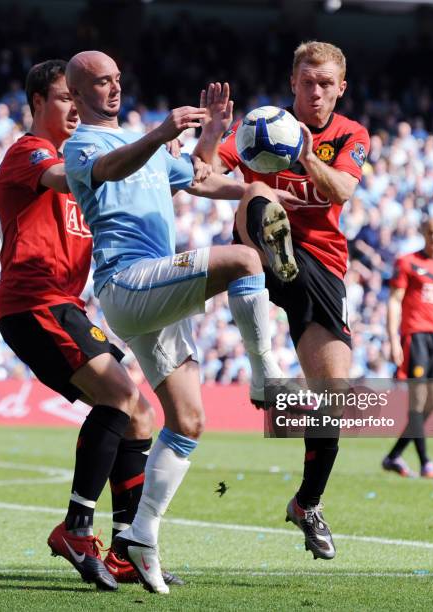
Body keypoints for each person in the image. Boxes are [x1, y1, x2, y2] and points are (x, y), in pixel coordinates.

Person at [63, 50, 288, 594]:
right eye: (100, 83)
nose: (113, 90)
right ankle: (267, 376)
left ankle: (141, 536)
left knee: (188, 421)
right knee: (244, 259)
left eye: (117, 80)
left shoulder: (149, 143)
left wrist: (251, 179)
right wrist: (163, 132)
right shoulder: (81, 145)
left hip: (153, 293)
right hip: (127, 282)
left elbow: (202, 179)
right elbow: (112, 169)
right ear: (76, 91)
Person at [0, 59, 180, 591]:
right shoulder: (29, 155)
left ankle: (123, 549)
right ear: (37, 104)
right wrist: (144, 142)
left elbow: (125, 178)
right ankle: (76, 528)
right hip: (33, 303)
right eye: (63, 99)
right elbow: (72, 176)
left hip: (63, 304)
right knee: (121, 396)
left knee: (141, 414)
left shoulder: (88, 155)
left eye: (78, 99)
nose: (75, 109)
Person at [195, 41, 371, 561]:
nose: (314, 92)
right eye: (306, 83)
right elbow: (202, 176)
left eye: (325, 84)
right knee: (258, 195)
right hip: (255, 247)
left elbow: (340, 190)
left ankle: (307, 505)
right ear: (292, 83)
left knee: (333, 396)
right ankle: (268, 253)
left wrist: (301, 156)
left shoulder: (350, 135)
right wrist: (208, 139)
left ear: (341, 88)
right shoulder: (260, 124)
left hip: (321, 265)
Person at [382, 215, 433, 478]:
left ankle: (394, 456)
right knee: (417, 402)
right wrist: (394, 339)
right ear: (423, 233)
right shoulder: (406, 262)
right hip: (415, 336)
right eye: (430, 232)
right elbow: (395, 301)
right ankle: (425, 462)